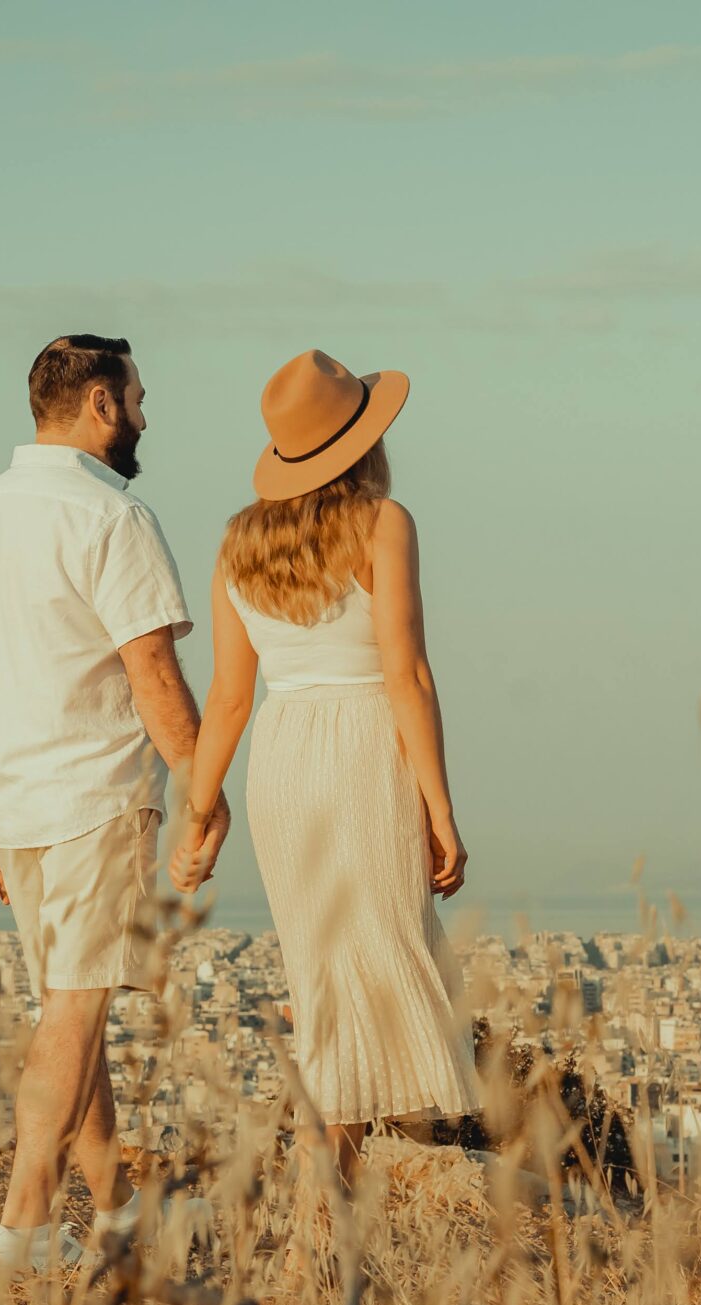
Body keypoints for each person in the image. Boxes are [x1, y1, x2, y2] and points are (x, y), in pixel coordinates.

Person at [0, 333, 229, 1272]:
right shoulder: (114, 518)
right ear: (100, 403)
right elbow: (152, 672)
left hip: (16, 806)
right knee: (72, 1010)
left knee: (81, 1011)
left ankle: (116, 1217)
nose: (147, 414)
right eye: (139, 396)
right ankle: (20, 1232)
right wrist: (202, 789)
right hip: (95, 799)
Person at [171, 350, 479, 1176]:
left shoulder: (239, 542)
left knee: (323, 978)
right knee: (374, 958)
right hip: (365, 749)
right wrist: (441, 810)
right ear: (363, 442)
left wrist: (196, 816)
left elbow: (230, 698)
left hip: (283, 754)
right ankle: (325, 1213)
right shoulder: (384, 524)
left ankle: (328, 1207)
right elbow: (407, 675)